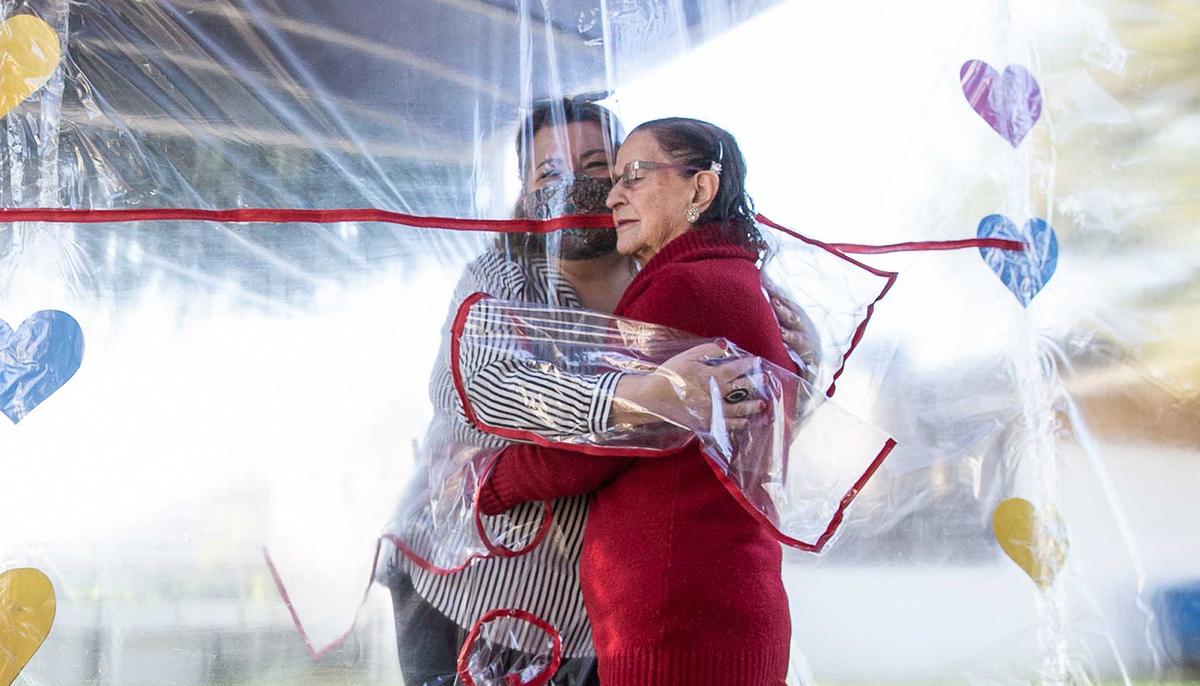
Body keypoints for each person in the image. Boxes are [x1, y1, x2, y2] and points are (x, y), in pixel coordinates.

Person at [476, 118, 794, 685]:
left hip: (677, 616)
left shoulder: (681, 288)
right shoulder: (730, 277)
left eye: (634, 177)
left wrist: (487, 483)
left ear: (700, 190)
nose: (612, 195)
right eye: (615, 177)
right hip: (717, 602)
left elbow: (599, 442)